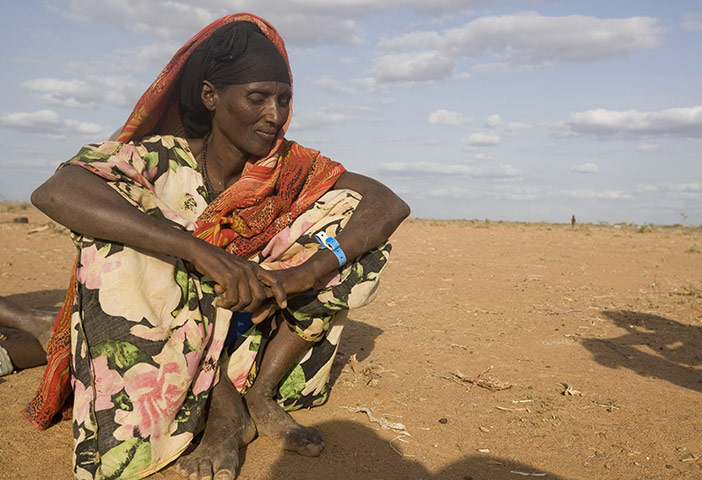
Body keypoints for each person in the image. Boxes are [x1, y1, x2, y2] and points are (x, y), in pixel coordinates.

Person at [5, 13, 409, 480]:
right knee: (122, 245)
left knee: (356, 240)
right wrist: (204, 253)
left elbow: (385, 203)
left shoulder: (291, 166)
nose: (275, 115)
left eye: (284, 99)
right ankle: (224, 404)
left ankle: (259, 393)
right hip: (172, 335)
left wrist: (303, 273)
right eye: (258, 98)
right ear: (211, 96)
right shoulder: (164, 158)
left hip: (254, 329)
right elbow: (57, 190)